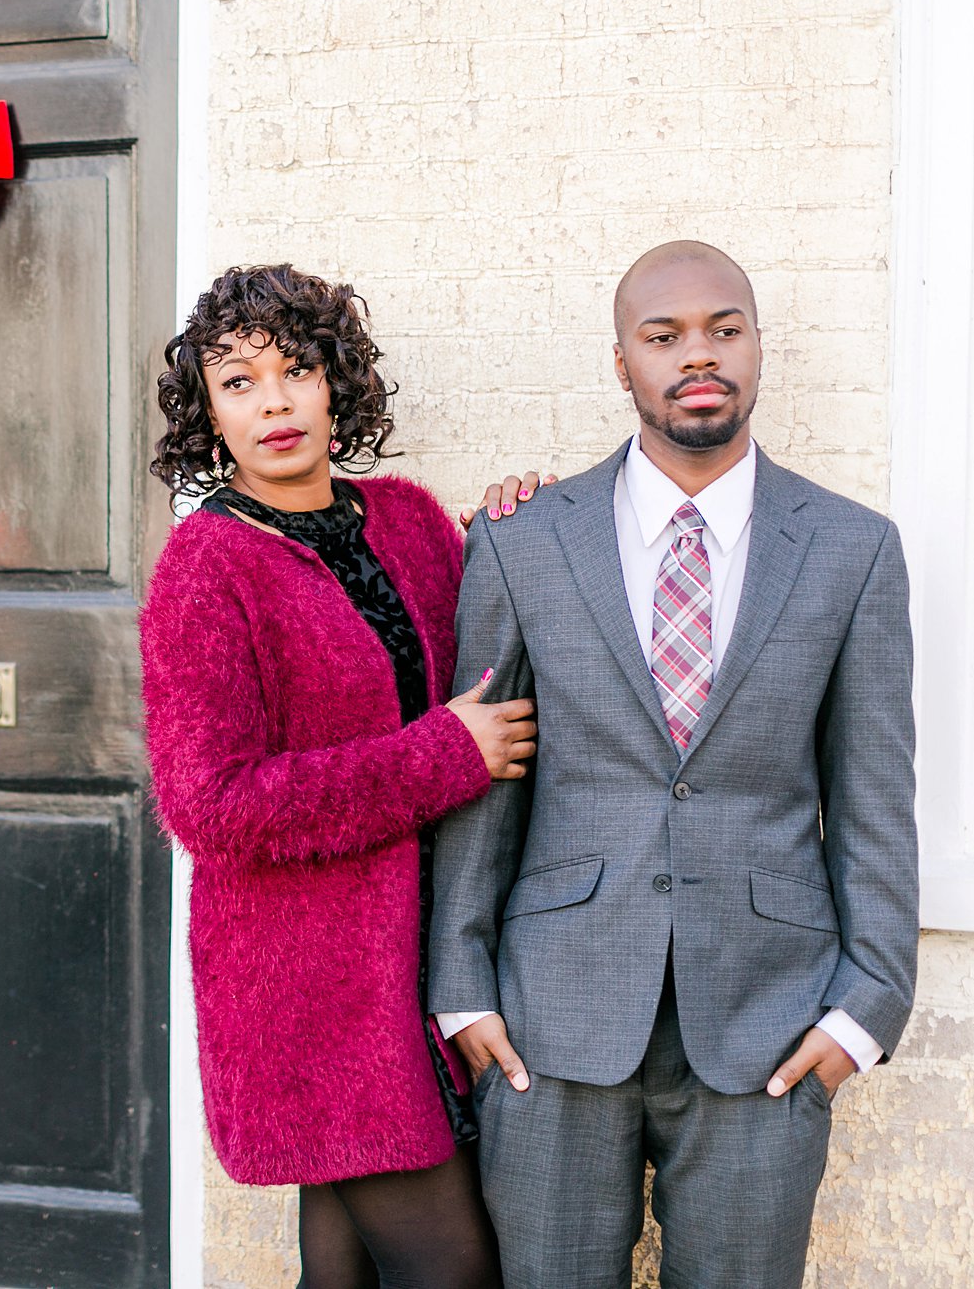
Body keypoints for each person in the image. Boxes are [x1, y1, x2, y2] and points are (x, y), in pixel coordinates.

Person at [429, 240, 919, 1288]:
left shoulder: (851, 549)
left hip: (768, 1023)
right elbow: (483, 774)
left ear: (755, 347)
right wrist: (459, 991)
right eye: (662, 336)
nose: (697, 355)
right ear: (620, 364)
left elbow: (874, 795)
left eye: (723, 329)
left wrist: (862, 1009)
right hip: (548, 1025)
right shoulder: (523, 540)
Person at [140, 264, 542, 1289]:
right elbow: (212, 805)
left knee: (343, 1272)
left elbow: (488, 666)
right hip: (308, 991)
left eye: (296, 369)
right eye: (237, 382)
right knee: (453, 1270)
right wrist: (440, 756)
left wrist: (514, 533)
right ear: (208, 415)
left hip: (422, 958)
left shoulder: (406, 521)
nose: (272, 402)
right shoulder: (205, 568)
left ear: (337, 383)